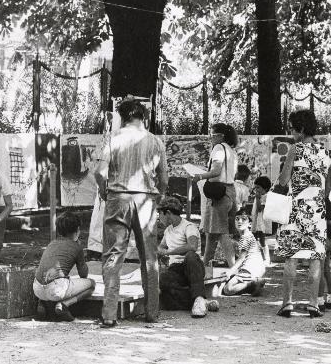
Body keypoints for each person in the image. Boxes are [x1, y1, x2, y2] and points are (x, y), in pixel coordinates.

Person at [94, 98, 168, 327]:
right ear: (143, 116)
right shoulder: (155, 141)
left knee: (114, 255)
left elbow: (100, 172)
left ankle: (109, 314)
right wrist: (159, 195)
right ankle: (152, 313)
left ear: (122, 116)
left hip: (118, 197)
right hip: (146, 199)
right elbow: (164, 178)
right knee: (149, 257)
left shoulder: (112, 138)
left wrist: (104, 191)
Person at [276, 109, 331, 318]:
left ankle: (287, 303)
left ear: (300, 128)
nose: (291, 133)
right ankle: (312, 303)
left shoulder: (295, 149)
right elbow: (326, 188)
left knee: (292, 256)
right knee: (316, 256)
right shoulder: (324, 153)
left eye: (292, 128)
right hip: (317, 210)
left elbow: (283, 180)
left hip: (295, 208)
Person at [157, 196, 219, 317]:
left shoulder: (189, 226)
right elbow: (162, 247)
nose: (159, 217)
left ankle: (199, 298)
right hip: (176, 269)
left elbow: (192, 246)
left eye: (160, 213)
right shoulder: (168, 230)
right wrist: (158, 252)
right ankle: (201, 301)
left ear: (168, 213)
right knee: (162, 280)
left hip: (192, 267)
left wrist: (168, 253)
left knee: (190, 256)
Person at [33, 212, 95, 322]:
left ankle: (42, 304)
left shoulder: (52, 243)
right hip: (56, 290)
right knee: (92, 284)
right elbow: (83, 275)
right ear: (77, 231)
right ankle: (64, 305)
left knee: (50, 279)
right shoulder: (77, 247)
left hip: (37, 289)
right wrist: (79, 253)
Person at [192, 123, 239, 267]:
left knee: (222, 232)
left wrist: (199, 176)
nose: (210, 139)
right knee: (211, 233)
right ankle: (204, 266)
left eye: (212, 135)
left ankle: (233, 268)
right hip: (230, 192)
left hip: (219, 193)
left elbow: (216, 171)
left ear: (220, 136)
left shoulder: (219, 148)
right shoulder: (232, 151)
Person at [222, 209, 266, 296]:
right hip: (258, 269)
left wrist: (230, 271)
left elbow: (242, 258)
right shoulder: (249, 235)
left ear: (250, 223)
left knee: (227, 289)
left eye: (244, 219)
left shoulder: (245, 237)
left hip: (250, 270)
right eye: (237, 219)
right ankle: (253, 284)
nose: (240, 221)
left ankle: (251, 284)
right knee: (234, 281)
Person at [251, 176, 272, 264]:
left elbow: (260, 209)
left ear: (265, 188)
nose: (256, 189)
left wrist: (257, 198)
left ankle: (267, 258)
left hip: (262, 221)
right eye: (255, 187)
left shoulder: (266, 197)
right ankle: (258, 257)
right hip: (256, 220)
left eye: (258, 187)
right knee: (255, 239)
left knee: (262, 240)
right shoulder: (259, 196)